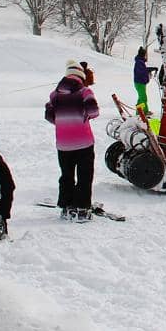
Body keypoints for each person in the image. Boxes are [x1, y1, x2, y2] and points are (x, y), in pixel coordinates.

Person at [45, 60, 100, 221]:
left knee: (66, 175)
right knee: (84, 175)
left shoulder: (54, 95)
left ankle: (66, 206)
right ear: (80, 76)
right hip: (84, 142)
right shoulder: (85, 92)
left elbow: (49, 115)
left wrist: (63, 122)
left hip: (63, 144)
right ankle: (82, 208)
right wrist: (81, 117)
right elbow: (94, 112)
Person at [133, 47, 152, 113]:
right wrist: (148, 71)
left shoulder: (140, 62)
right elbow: (142, 72)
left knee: (140, 98)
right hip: (139, 83)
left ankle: (138, 112)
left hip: (140, 83)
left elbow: (143, 70)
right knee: (143, 98)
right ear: (143, 55)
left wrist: (149, 69)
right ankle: (144, 112)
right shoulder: (139, 62)